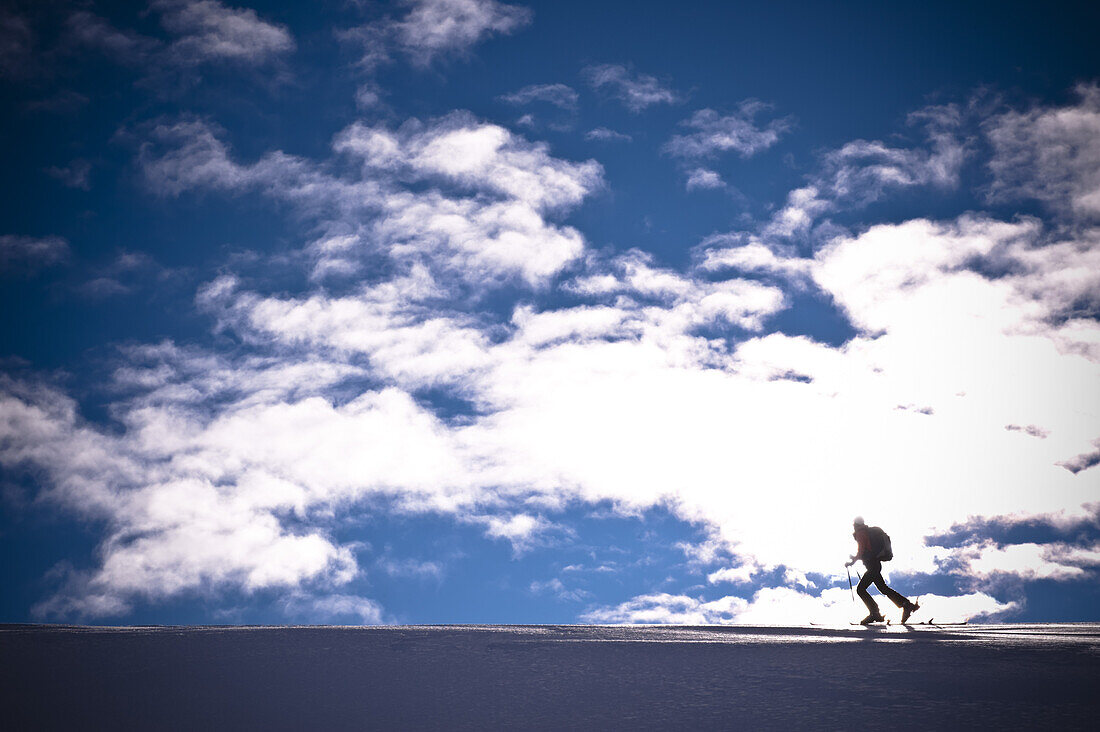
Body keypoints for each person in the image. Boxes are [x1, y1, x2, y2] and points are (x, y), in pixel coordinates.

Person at [845, 516, 919, 625]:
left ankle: (875, 613)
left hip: (872, 566)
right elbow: (866, 552)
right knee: (883, 588)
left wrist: (852, 562)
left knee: (860, 589)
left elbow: (861, 551)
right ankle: (905, 605)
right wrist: (855, 558)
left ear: (856, 524)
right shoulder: (866, 532)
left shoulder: (861, 533)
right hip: (875, 565)